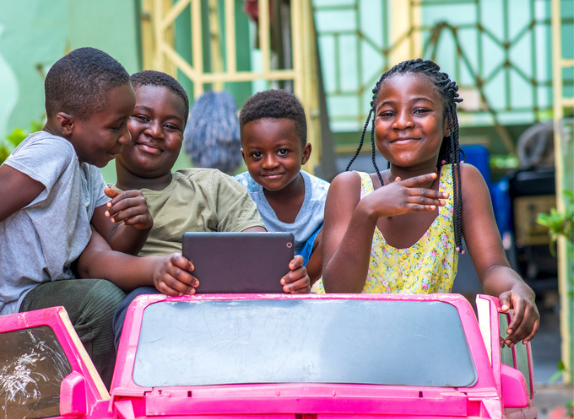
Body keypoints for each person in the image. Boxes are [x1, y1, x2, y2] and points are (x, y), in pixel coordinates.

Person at [0, 48, 158, 387]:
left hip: (41, 299)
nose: (126, 137)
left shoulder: (86, 168)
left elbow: (117, 245)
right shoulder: (53, 151)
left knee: (124, 296)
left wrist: (139, 224)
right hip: (7, 305)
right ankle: (104, 404)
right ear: (67, 124)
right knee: (101, 301)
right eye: (115, 126)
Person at [321, 58, 539, 345]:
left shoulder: (462, 182)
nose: (402, 122)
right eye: (387, 114)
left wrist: (518, 287)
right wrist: (368, 210)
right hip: (350, 346)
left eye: (420, 110)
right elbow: (338, 290)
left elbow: (492, 268)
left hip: (426, 346)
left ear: (448, 123)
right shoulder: (350, 188)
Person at [111, 71, 311, 343]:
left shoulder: (212, 185)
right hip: (147, 314)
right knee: (140, 307)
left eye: (171, 126)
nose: (156, 132)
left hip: (221, 309)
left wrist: (284, 273)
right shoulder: (99, 199)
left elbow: (258, 249)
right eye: (142, 118)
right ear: (117, 122)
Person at [234, 89, 330, 282]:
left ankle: (302, 287)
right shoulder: (235, 192)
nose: (270, 163)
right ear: (244, 157)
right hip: (254, 274)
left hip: (309, 274)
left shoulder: (325, 197)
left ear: (305, 153)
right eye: (257, 155)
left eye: (283, 151)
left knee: (335, 229)